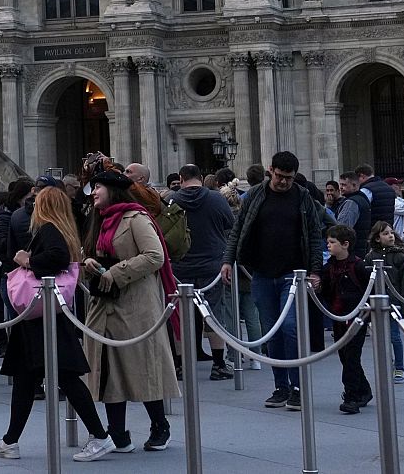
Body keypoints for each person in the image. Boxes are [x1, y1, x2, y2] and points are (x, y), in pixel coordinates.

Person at [0, 188, 115, 463]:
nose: (32, 207)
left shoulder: (49, 230)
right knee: (28, 378)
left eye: (37, 202)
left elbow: (54, 260)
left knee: (63, 377)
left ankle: (100, 435)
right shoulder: (63, 229)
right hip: (43, 314)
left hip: (41, 315)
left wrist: (27, 260)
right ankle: (10, 440)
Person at [221, 150, 328, 411]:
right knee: (272, 332)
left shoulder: (303, 197)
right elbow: (239, 229)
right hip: (262, 273)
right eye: (280, 176)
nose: (284, 182)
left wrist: (315, 270)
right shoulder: (255, 195)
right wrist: (228, 260)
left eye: (289, 178)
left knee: (291, 328)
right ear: (271, 170)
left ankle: (298, 386)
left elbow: (315, 234)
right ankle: (280, 386)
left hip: (293, 273)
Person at [82, 168, 178, 453]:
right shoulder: (98, 220)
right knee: (109, 370)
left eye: (97, 187)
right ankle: (118, 433)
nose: (94, 193)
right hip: (105, 303)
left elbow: (155, 256)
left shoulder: (135, 218)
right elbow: (94, 251)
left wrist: (117, 271)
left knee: (143, 366)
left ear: (112, 190)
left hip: (135, 303)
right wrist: (89, 263)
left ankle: (160, 425)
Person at [168, 164, 236, 380]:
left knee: (179, 315)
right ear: (201, 177)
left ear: (181, 178)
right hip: (211, 264)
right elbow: (229, 224)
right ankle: (218, 364)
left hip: (180, 265)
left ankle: (179, 365)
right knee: (214, 314)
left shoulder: (172, 200)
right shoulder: (217, 199)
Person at [313, 225, 372, 414]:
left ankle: (351, 395)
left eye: (332, 242)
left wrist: (369, 315)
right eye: (328, 242)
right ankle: (363, 389)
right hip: (337, 316)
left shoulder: (359, 265)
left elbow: (370, 290)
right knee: (345, 356)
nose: (328, 245)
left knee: (352, 356)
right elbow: (324, 288)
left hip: (357, 318)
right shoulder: (329, 267)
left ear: (345, 244)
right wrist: (317, 286)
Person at [366, 221, 404, 383]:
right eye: (385, 233)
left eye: (391, 232)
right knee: (380, 337)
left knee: (394, 336)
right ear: (377, 238)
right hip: (376, 304)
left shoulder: (400, 256)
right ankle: (387, 364)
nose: (390, 236)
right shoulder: (371, 257)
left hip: (394, 303)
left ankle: (399, 367)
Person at [335, 170, 372, 257]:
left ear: (354, 186)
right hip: (361, 247)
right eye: (340, 184)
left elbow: (342, 229)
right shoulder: (363, 199)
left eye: (344, 185)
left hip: (352, 250)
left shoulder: (351, 203)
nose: (340, 187)